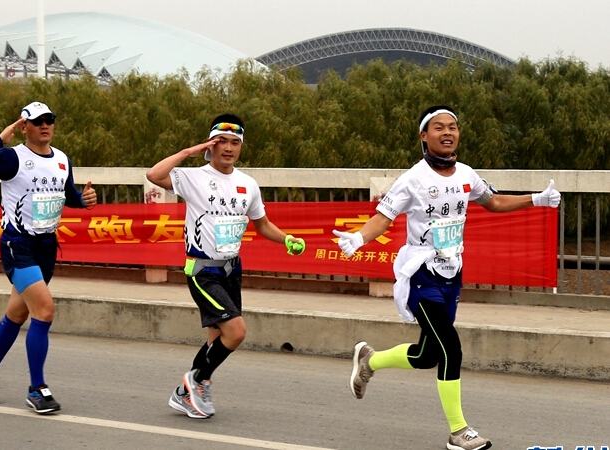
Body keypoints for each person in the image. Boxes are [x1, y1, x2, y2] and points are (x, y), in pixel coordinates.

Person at [334, 105, 560, 450]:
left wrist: (537, 199)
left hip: (451, 272)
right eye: (438, 127)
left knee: (428, 356)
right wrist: (359, 238)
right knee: (450, 348)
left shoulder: (466, 174)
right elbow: (383, 217)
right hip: (421, 273)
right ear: (424, 136)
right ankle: (459, 432)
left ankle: (370, 360)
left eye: (452, 127)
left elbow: (493, 202)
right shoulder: (413, 179)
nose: (447, 132)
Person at [146, 113, 306, 419]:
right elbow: (154, 175)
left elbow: (262, 224)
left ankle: (185, 393)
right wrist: (189, 152)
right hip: (202, 270)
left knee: (216, 339)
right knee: (236, 332)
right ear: (211, 145)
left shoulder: (247, 184)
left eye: (235, 142)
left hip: (232, 270)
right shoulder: (194, 178)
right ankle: (197, 381)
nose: (229, 148)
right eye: (222, 142)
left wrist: (286, 238)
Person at [0, 101, 97, 415]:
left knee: (17, 314)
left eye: (50, 119)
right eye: (37, 121)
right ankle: (37, 389)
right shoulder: (12, 158)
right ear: (24, 127)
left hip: (46, 247)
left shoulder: (61, 159)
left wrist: (83, 199)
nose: (45, 125)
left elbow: (68, 195)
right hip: (17, 245)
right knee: (44, 311)